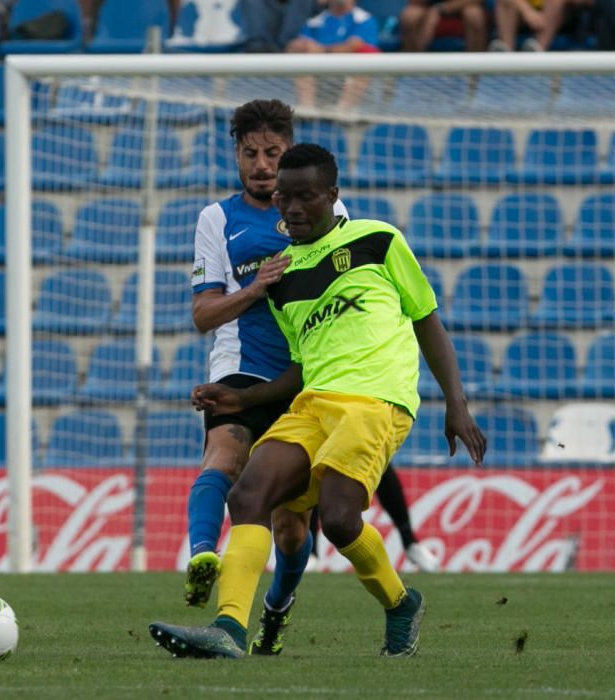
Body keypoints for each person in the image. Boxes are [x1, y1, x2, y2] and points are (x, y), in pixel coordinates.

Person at [152, 143, 486, 659]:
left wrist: (455, 402)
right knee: (247, 496)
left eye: (306, 197)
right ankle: (229, 629)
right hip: (314, 403)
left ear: (333, 194)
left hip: (376, 400)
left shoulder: (378, 239)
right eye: (285, 198)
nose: (293, 208)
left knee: (338, 519)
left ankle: (401, 603)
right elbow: (302, 367)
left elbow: (425, 318)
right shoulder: (282, 278)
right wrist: (244, 400)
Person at [286, 0, 379, 110]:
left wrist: (320, 50)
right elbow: (295, 47)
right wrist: (299, 46)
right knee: (301, 61)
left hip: (353, 76)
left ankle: (342, 112)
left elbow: (353, 46)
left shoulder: (365, 20)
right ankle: (307, 111)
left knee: (364, 62)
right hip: (320, 75)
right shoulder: (314, 22)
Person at [400, 0, 488, 52]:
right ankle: (414, 69)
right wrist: (429, 13)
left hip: (462, 8)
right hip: (429, 10)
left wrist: (440, 9)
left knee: (474, 14)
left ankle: (474, 71)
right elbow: (416, 2)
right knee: (410, 15)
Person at [240, 0, 320, 52]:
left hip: (306, 63)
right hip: (264, 64)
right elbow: (256, 46)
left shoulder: (306, 3)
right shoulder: (251, 4)